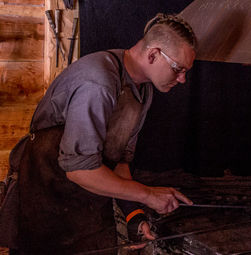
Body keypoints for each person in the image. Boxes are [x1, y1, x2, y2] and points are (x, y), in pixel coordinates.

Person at [0, 13, 196, 254]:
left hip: (90, 205)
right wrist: (148, 195)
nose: (183, 79)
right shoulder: (99, 81)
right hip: (46, 200)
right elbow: (79, 169)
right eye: (178, 69)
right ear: (153, 54)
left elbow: (119, 163)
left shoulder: (143, 92)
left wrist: (134, 215)